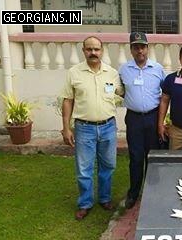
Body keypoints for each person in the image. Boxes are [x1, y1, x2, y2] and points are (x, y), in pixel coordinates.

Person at [61, 36, 124, 220]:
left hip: (108, 127)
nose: (93, 53)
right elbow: (67, 100)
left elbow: (120, 93)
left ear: (102, 51)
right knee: (84, 168)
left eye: (96, 49)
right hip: (84, 128)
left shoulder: (112, 73)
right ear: (83, 51)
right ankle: (85, 203)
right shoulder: (74, 73)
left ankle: (104, 199)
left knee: (108, 165)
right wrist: (66, 128)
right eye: (89, 49)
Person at [119, 32, 166, 209]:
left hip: (153, 117)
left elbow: (165, 95)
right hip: (134, 119)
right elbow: (119, 90)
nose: (140, 50)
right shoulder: (124, 70)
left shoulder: (158, 69)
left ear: (148, 48)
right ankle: (134, 193)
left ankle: (152, 191)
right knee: (136, 157)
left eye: (143, 46)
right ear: (131, 49)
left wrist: (162, 120)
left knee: (153, 156)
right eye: (136, 47)